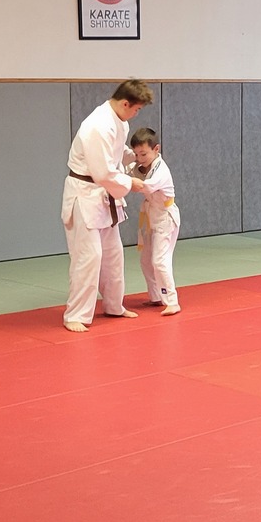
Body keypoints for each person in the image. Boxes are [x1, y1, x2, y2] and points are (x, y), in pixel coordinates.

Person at [62, 79, 149, 332]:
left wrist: (136, 156)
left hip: (104, 194)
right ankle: (75, 315)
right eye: (136, 109)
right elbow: (102, 172)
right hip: (85, 194)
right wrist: (130, 182)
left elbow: (115, 152)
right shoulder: (97, 126)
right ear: (125, 103)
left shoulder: (119, 121)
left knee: (112, 255)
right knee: (88, 257)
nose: (136, 113)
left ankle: (113, 305)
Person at [127, 127, 181, 316]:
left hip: (166, 218)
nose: (139, 158)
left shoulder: (161, 171)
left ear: (156, 149)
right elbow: (128, 170)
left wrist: (123, 181)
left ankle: (172, 301)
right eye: (136, 154)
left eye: (143, 154)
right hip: (151, 216)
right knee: (146, 260)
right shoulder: (139, 166)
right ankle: (156, 295)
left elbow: (144, 186)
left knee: (160, 260)